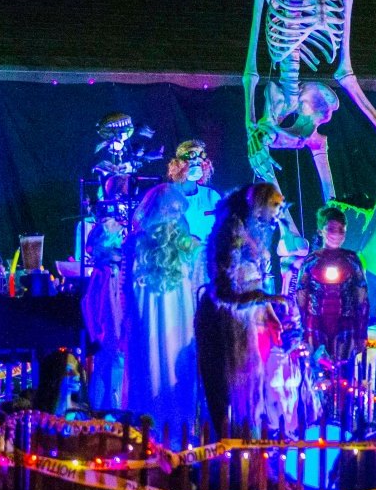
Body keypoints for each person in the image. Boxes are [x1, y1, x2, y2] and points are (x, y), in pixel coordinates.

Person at [196, 184, 291, 438]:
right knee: (226, 387)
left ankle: (245, 442)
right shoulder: (232, 227)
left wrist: (267, 308)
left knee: (249, 383)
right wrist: (262, 298)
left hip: (247, 316)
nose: (278, 211)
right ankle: (227, 447)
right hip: (225, 318)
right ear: (259, 202)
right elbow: (223, 288)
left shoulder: (259, 229)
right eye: (275, 204)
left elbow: (256, 276)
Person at [123, 183, 202, 434]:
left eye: (178, 212)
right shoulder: (137, 243)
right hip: (150, 318)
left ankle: (172, 431)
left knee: (172, 365)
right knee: (149, 362)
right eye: (171, 211)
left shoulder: (186, 245)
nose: (175, 217)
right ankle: (155, 432)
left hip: (176, 319)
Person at [295, 206, 369, 394]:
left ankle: (342, 416)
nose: (336, 234)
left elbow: (362, 298)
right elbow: (300, 297)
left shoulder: (352, 260)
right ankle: (319, 417)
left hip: (345, 326)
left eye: (340, 230)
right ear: (321, 230)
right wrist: (302, 332)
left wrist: (361, 333)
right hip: (316, 325)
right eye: (331, 229)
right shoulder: (311, 261)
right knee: (318, 376)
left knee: (343, 376)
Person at [81, 210, 126, 409]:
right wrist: (115, 333)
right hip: (110, 332)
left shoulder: (102, 270)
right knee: (112, 370)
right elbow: (109, 305)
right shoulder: (110, 272)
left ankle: (99, 410)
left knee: (102, 369)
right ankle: (109, 412)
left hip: (104, 331)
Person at [166, 139, 222, 244]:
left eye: (201, 156)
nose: (197, 161)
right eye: (192, 156)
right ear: (178, 164)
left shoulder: (211, 196)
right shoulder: (168, 196)